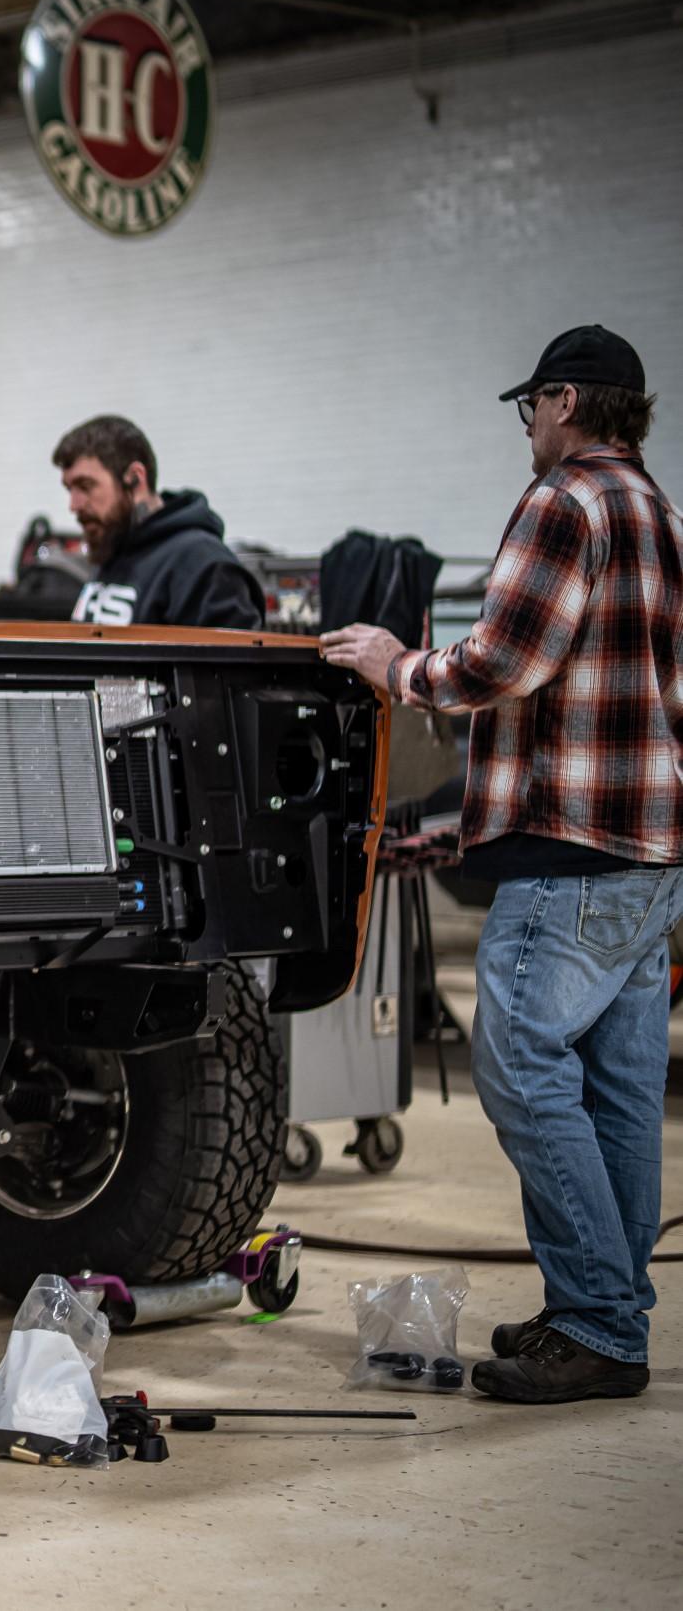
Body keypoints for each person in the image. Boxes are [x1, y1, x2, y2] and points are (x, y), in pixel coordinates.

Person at [321, 324, 683, 1404]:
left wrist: (399, 666)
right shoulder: (660, 512)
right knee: (616, 1092)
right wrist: (454, 836)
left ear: (563, 401)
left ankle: (600, 1321)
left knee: (520, 1072)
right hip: (645, 855)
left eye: (531, 406)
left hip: (568, 861)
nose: (527, 427)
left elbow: (504, 661)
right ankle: (604, 1309)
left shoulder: (565, 501)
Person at [51, 415, 264, 629]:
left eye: (86, 486)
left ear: (135, 478)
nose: (74, 505)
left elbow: (233, 660)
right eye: (70, 490)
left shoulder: (203, 564)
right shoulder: (113, 548)